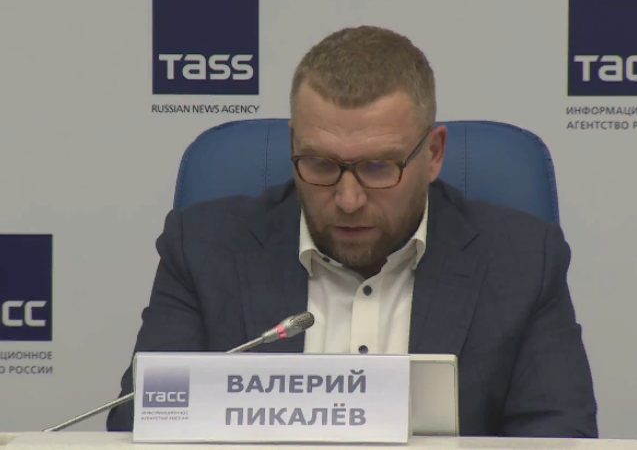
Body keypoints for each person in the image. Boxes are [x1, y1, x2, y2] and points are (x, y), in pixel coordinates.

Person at [107, 25, 597, 437]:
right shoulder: (203, 248)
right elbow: (140, 424)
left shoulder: (522, 261)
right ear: (293, 147)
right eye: (320, 164)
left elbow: (559, 437)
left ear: (433, 155)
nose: (348, 199)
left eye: (379, 167)